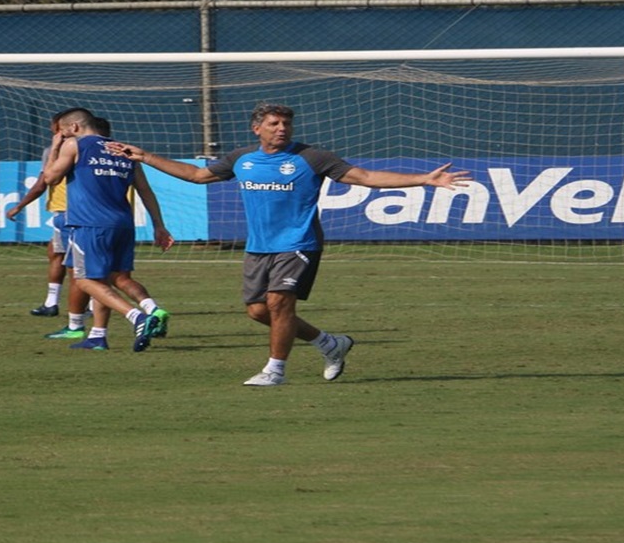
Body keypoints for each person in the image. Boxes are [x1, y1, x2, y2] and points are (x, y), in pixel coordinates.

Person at [110, 102, 473, 386]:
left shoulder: (312, 157)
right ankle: (329, 343)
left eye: (286, 124)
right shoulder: (241, 159)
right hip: (259, 246)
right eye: (274, 124)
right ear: (257, 129)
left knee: (279, 304)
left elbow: (364, 177)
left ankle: (275, 370)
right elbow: (196, 175)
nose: (282, 129)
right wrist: (144, 157)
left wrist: (423, 180)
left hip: (299, 243)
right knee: (258, 312)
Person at [38, 110, 169, 351]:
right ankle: (98, 335)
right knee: (106, 279)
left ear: (75, 128)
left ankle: (138, 317)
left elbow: (50, 178)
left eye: (62, 131)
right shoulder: (125, 150)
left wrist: (56, 147)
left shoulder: (75, 145)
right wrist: (159, 225)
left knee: (84, 280)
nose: (61, 136)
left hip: (90, 223)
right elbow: (145, 191)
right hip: (123, 224)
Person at [6, 110, 75, 317]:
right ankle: (52, 303)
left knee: (73, 261)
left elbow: (43, 183)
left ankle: (80, 308)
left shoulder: (61, 150)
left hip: (72, 212)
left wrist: (19, 206)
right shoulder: (53, 150)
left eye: (54, 125)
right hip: (67, 211)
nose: (51, 129)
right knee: (57, 253)